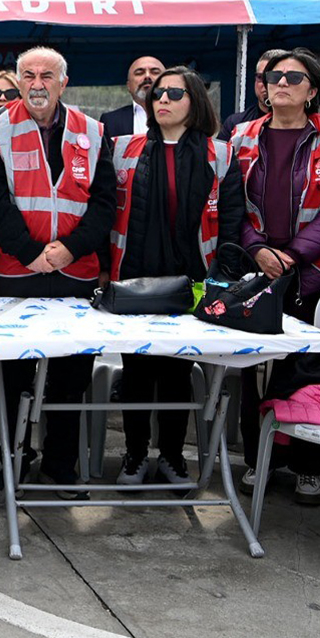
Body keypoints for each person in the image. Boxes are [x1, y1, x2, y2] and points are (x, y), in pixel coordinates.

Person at [0, 46, 115, 499]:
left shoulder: (94, 132)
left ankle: (61, 465)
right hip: (17, 270)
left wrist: (68, 250)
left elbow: (103, 205)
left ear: (63, 82)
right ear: (19, 82)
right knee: (14, 376)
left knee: (71, 376)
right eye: (29, 75)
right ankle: (14, 462)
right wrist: (33, 252)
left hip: (76, 273)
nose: (37, 83)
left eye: (47, 75)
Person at [109, 66, 244, 486]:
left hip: (192, 281)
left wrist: (220, 278)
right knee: (135, 373)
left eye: (173, 92)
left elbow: (233, 224)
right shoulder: (122, 149)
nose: (162, 99)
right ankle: (133, 455)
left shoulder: (220, 154)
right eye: (157, 93)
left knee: (176, 374)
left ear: (196, 101)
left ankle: (170, 455)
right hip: (133, 280)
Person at [229, 48, 320, 504]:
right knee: (253, 368)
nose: (281, 83)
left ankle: (307, 466)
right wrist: (258, 249)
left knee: (303, 370)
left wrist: (294, 255)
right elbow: (230, 202)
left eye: (293, 77)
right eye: (273, 76)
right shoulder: (241, 136)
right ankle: (257, 459)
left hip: (310, 275)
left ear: (312, 91)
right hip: (256, 270)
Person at [221, 49, 288, 141]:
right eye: (260, 77)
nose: (265, 83)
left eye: (272, 77)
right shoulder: (236, 123)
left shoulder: (307, 125)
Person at [101, 56, 165, 139]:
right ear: (128, 86)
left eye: (155, 72)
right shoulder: (110, 121)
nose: (147, 76)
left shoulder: (181, 116)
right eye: (139, 73)